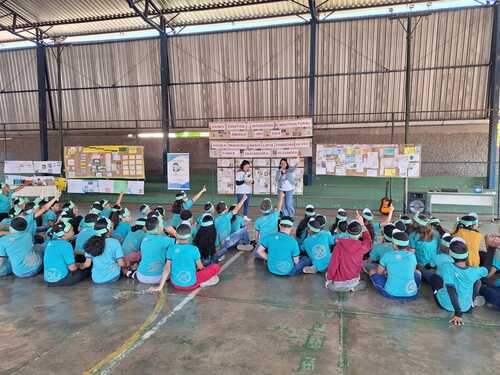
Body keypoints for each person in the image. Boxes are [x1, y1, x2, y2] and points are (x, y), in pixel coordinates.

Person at [429, 237, 487, 326]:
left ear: (451, 255)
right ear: (467, 255)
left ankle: (441, 294)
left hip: (446, 305)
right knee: (478, 281)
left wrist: (458, 313)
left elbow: (451, 289)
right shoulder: (475, 271)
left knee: (434, 278)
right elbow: (486, 270)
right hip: (466, 307)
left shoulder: (446, 266)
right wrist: (491, 249)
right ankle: (472, 300)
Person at [148, 224, 221, 292]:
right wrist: (206, 272)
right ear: (189, 236)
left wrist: (160, 287)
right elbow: (200, 267)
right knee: (215, 267)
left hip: (175, 284)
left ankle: (203, 280)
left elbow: (167, 269)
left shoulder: (171, 248)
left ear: (176, 235)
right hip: (191, 284)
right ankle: (203, 282)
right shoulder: (194, 249)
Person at [325, 212, 372, 292]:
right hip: (354, 281)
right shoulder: (362, 246)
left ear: (347, 231)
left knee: (328, 282)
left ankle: (342, 288)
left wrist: (329, 279)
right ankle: (352, 288)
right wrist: (362, 224)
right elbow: (368, 240)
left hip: (338, 283)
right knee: (364, 283)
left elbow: (333, 265)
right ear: (360, 234)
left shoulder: (339, 245)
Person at [368, 231, 421, 300]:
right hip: (411, 294)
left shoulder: (388, 255)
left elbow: (379, 272)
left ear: (395, 245)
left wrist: (386, 272)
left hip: (391, 293)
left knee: (372, 271)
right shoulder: (412, 256)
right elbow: (413, 271)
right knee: (418, 273)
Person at [82, 218, 131, 284]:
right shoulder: (115, 242)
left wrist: (78, 265)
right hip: (113, 277)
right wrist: (127, 264)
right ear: (109, 229)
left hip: (96, 279)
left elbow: (87, 264)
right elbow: (121, 263)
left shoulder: (90, 242)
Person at [43, 221, 90, 286]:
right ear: (64, 234)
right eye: (72, 231)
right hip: (61, 280)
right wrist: (80, 266)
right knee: (87, 270)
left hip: (48, 280)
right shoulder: (66, 245)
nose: (73, 232)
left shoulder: (50, 243)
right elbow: (72, 268)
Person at [136, 216, 175, 284]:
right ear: (158, 228)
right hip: (158, 278)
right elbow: (182, 241)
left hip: (141, 276)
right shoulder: (164, 240)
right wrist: (173, 232)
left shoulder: (144, 239)